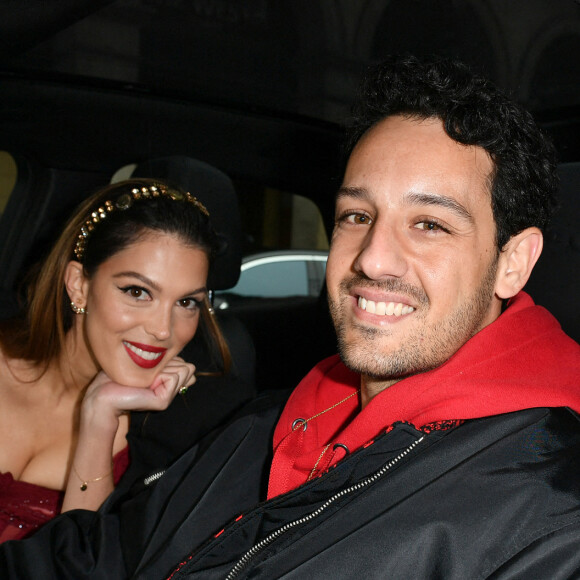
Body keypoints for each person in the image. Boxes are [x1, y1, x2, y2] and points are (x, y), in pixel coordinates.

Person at [2, 55, 580, 578]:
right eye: (356, 215)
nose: (371, 258)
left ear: (513, 262)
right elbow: (92, 559)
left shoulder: (552, 510)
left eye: (428, 224)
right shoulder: (263, 425)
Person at [0, 177, 250, 542]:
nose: (163, 329)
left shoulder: (187, 436)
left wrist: (100, 417)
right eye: (137, 292)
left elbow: (80, 565)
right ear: (78, 285)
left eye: (186, 302)